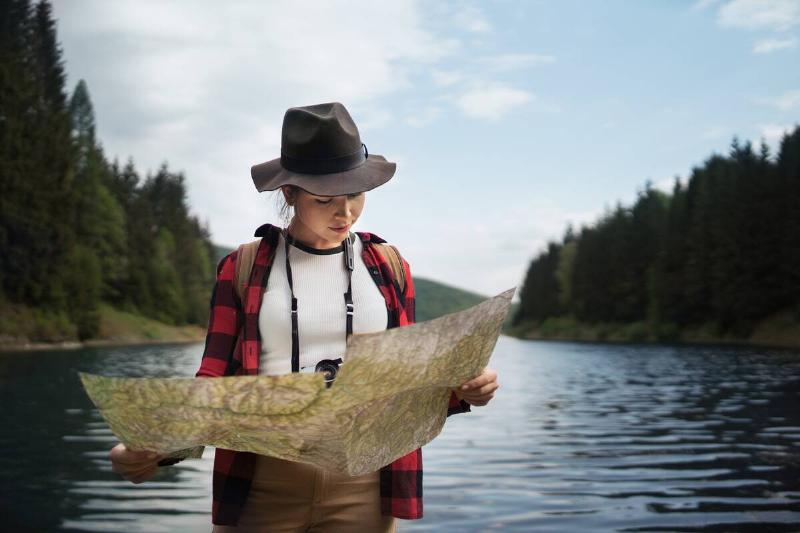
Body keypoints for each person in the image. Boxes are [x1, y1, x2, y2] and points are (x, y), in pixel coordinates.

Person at [108, 102, 499, 532]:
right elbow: (214, 382)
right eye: (325, 200)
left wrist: (464, 389)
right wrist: (155, 448)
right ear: (290, 193)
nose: (344, 213)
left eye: (355, 195)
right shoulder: (243, 267)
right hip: (262, 482)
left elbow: (409, 383)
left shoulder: (389, 267)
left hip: (365, 484)